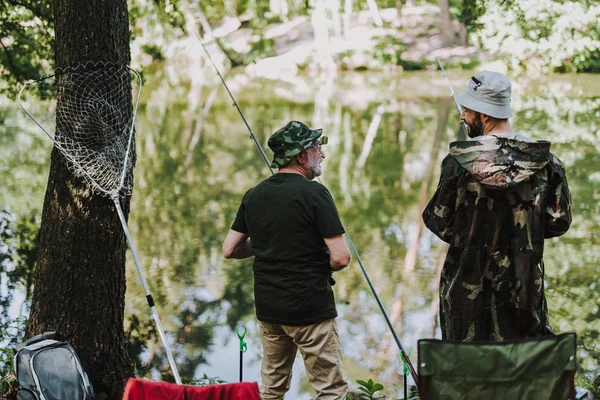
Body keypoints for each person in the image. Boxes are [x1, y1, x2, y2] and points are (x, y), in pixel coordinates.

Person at [422, 71, 572, 342]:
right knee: (520, 365)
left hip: (465, 294)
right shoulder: (547, 162)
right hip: (524, 290)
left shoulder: (457, 163)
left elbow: (439, 222)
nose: (462, 116)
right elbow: (558, 221)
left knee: (467, 368)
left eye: (467, 110)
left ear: (485, 115)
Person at [222, 120, 351, 399]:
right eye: (318, 148)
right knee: (330, 390)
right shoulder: (316, 193)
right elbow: (340, 258)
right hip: (310, 309)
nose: (323, 154)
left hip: (270, 310)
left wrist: (271, 245)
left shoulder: (254, 194)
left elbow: (230, 249)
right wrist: (311, 259)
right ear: (302, 156)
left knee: (272, 389)